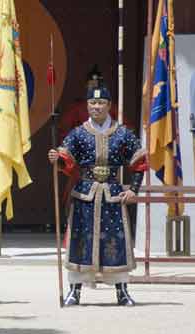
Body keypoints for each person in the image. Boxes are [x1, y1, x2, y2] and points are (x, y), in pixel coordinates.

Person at [48, 85, 146, 307]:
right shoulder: (78, 133)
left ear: (109, 106)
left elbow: (139, 162)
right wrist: (58, 158)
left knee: (116, 241)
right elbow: (67, 160)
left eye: (101, 103)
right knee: (80, 240)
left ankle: (122, 291)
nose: (96, 107)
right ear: (87, 105)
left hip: (112, 194)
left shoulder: (123, 133)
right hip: (85, 195)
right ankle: (75, 290)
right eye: (92, 103)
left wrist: (133, 190)